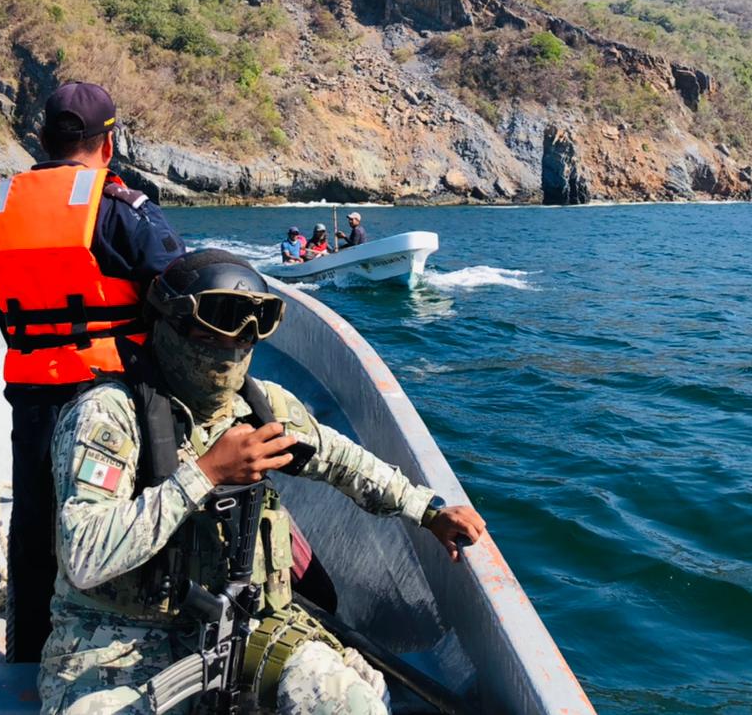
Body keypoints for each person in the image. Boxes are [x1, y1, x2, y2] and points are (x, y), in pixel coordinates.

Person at [39, 250, 486, 714]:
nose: (238, 341)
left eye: (257, 321)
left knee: (350, 702)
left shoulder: (260, 406)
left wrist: (427, 511)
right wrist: (207, 473)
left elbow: (342, 461)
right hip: (115, 644)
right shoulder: (108, 416)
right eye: (223, 320)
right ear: (172, 322)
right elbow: (84, 556)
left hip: (240, 627)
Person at [0, 81, 185, 663]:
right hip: (111, 397)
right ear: (107, 143)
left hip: (32, 397)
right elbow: (181, 292)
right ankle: (128, 644)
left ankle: (27, 653)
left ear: (42, 139)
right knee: (127, 515)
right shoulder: (123, 210)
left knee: (37, 523)